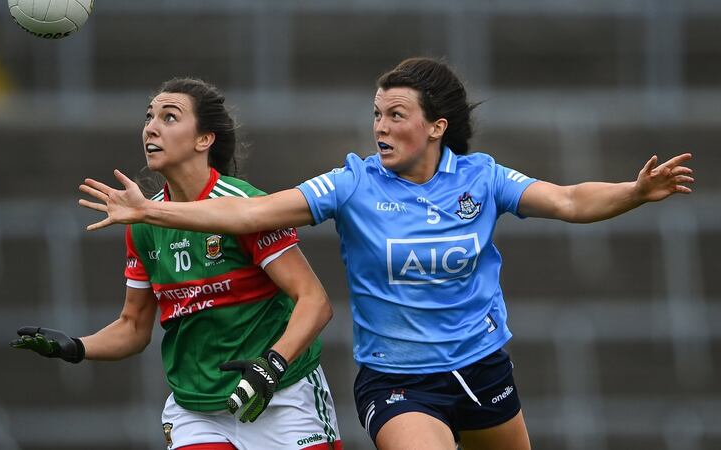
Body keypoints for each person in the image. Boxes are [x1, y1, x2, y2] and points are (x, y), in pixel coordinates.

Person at [77, 58, 694, 450]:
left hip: (482, 369)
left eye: (396, 115)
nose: (380, 127)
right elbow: (248, 212)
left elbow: (568, 200)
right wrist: (150, 209)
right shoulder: (352, 183)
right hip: (397, 382)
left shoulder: (479, 178)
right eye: (376, 114)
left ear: (436, 126)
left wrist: (634, 193)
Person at [11, 77, 343, 450]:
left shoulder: (245, 208)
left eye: (169, 117)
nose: (151, 127)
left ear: (204, 139)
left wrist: (272, 364)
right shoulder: (143, 225)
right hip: (196, 411)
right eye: (149, 116)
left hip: (280, 397)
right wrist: (75, 347)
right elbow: (133, 326)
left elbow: (314, 302)